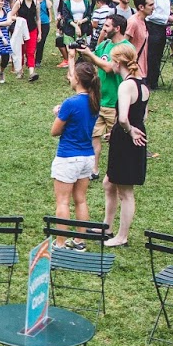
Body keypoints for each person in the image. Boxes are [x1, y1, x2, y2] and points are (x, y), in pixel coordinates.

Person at [103, 45, 149, 247]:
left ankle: (122, 236)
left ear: (119, 62)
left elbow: (123, 118)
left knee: (125, 192)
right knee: (108, 183)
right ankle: (107, 226)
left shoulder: (125, 86)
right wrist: (114, 133)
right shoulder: (143, 85)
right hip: (129, 136)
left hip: (128, 138)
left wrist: (128, 131)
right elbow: (142, 115)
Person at [51, 60, 100, 245]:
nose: (69, 77)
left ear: (78, 79)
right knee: (80, 200)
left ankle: (60, 242)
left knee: (63, 202)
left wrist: (59, 114)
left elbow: (54, 131)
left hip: (68, 156)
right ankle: (80, 240)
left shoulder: (70, 103)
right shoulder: (95, 101)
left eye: (71, 75)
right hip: (87, 156)